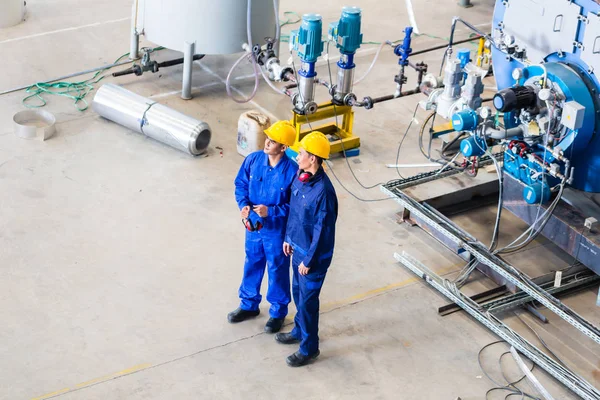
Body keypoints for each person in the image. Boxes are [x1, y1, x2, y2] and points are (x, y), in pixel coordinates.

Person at [275, 131, 338, 367]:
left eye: (301, 153)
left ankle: (309, 348)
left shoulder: (323, 192)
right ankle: (299, 331)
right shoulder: (300, 177)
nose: (297, 155)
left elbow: (323, 232)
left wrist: (309, 261)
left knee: (308, 303)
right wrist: (288, 238)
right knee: (298, 295)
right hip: (297, 248)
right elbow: (294, 212)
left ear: (313, 158)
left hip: (313, 258)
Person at [229, 120, 298, 334]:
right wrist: (244, 207)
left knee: (277, 269)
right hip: (253, 227)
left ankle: (278, 312)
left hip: (277, 231)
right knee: (252, 262)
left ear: (283, 147)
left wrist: (272, 212)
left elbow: (296, 206)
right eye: (268, 138)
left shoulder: (292, 171)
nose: (267, 142)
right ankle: (249, 305)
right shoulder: (253, 160)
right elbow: (240, 184)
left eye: (273, 141)